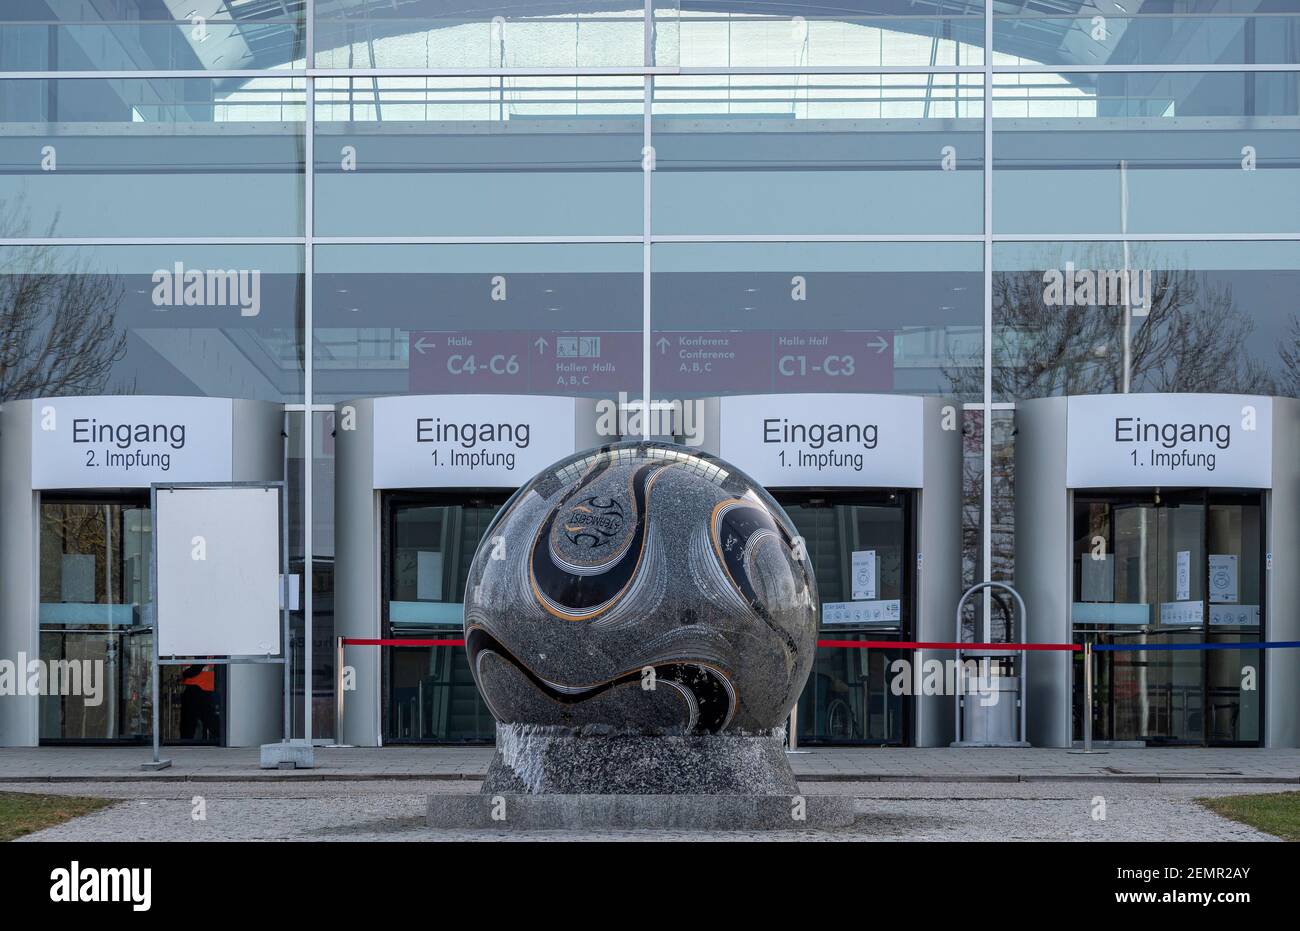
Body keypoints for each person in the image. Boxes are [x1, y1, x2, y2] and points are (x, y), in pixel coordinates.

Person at [178, 663, 219, 741]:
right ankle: (220, 734)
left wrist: (184, 674)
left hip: (197, 686)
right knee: (207, 717)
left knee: (189, 720)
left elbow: (197, 667)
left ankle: (186, 742)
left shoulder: (200, 651)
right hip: (202, 686)